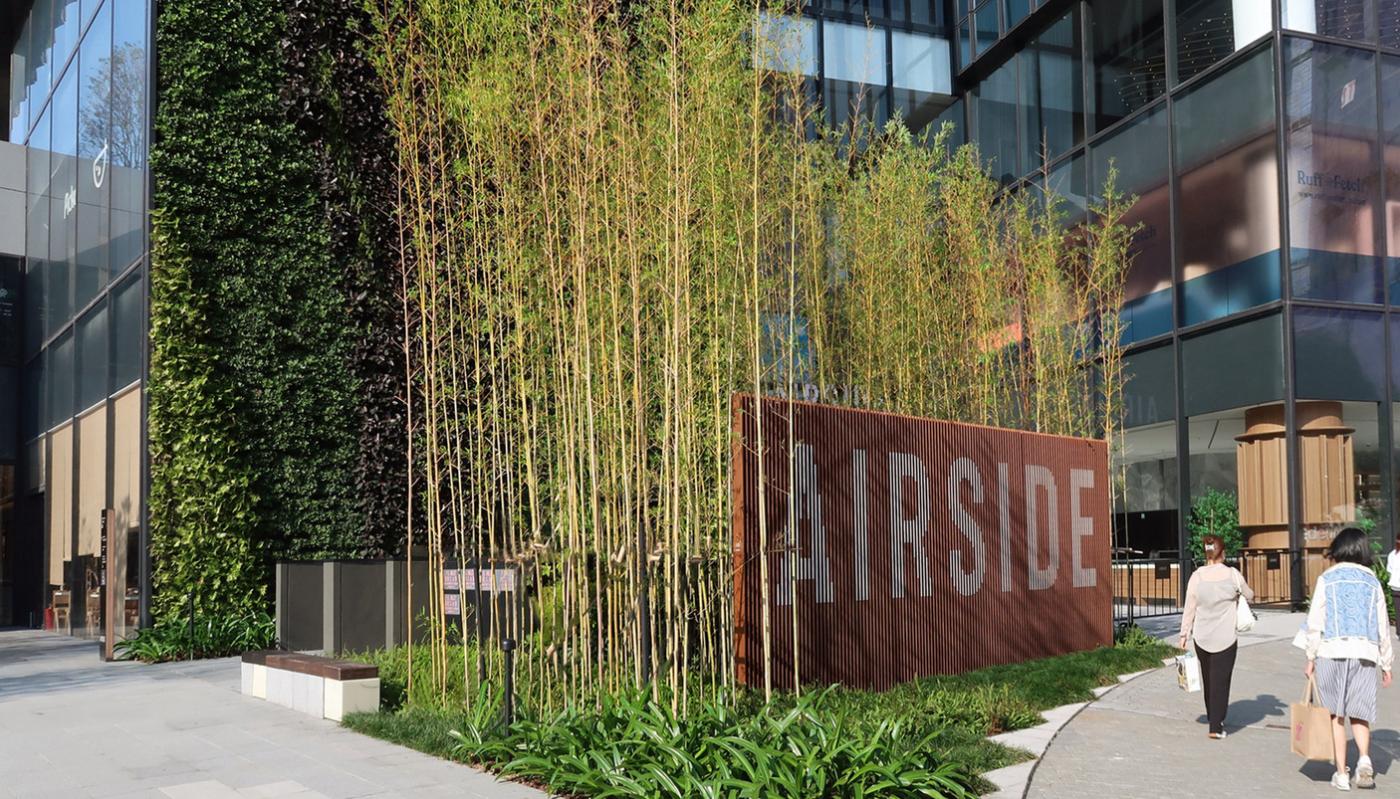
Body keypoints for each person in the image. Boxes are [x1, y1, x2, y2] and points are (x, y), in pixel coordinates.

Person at [1305, 527, 1394, 791]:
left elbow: (1315, 621)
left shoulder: (1327, 578)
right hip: (1365, 652)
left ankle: (1341, 773)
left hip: (1332, 651)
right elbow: (1382, 624)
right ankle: (1364, 760)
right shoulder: (1372, 581)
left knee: (1336, 714)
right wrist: (1387, 663)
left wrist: (1310, 656)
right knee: (1360, 711)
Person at [1178, 534, 1254, 739]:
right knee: (1221, 681)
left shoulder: (1197, 576)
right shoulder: (1233, 575)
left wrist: (1184, 633)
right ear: (1223, 553)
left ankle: (1213, 715)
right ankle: (1216, 726)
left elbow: (1189, 607)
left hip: (1201, 637)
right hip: (1226, 638)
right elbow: (1250, 594)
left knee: (1209, 679)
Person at [1386, 534, 1400, 632]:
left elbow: (1389, 570)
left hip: (1395, 587)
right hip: (1396, 586)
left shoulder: (1392, 555)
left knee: (1398, 611)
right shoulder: (1392, 555)